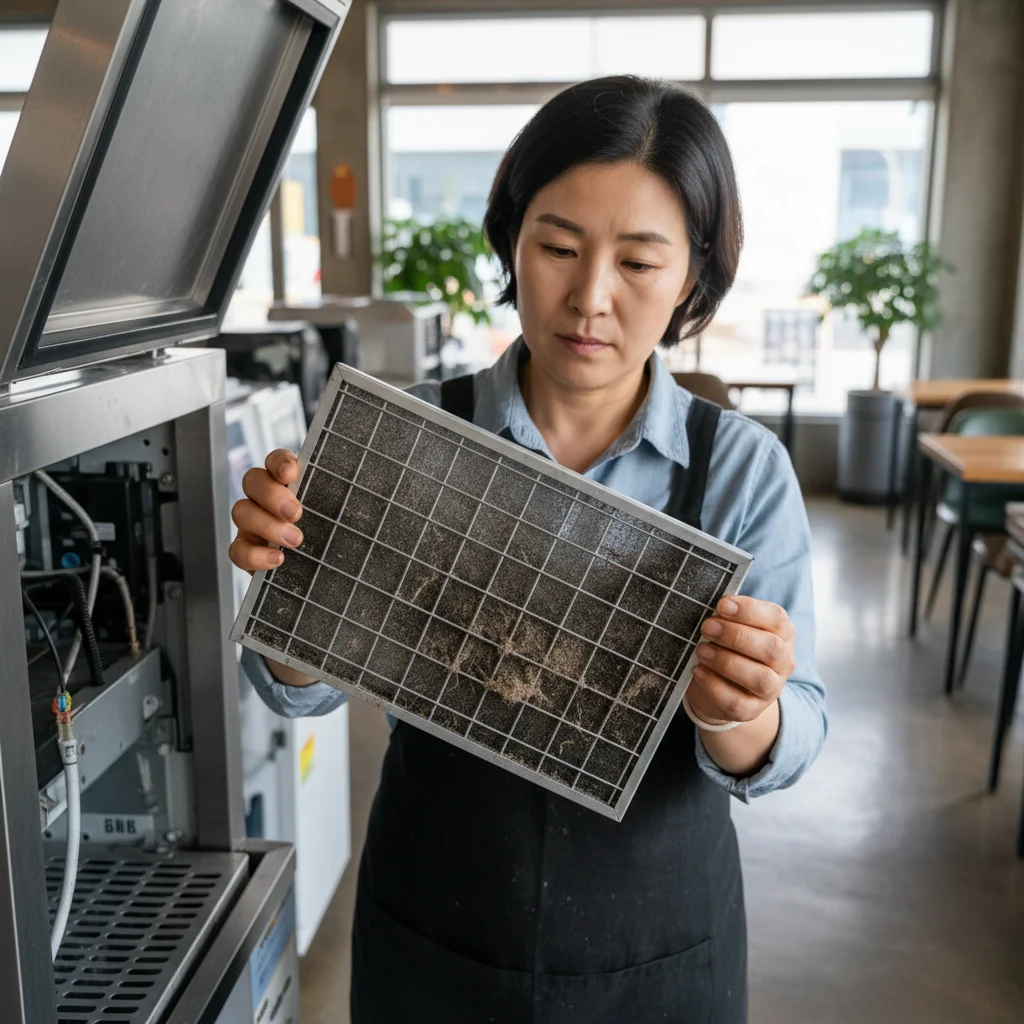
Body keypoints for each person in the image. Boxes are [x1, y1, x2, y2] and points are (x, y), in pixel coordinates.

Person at [230, 76, 826, 1023]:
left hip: (660, 958)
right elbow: (304, 684)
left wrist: (741, 711)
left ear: (694, 278)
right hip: (435, 938)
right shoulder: (415, 433)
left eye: (639, 263)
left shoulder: (742, 470)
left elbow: (795, 730)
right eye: (557, 246)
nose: (590, 299)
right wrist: (288, 590)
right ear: (512, 239)